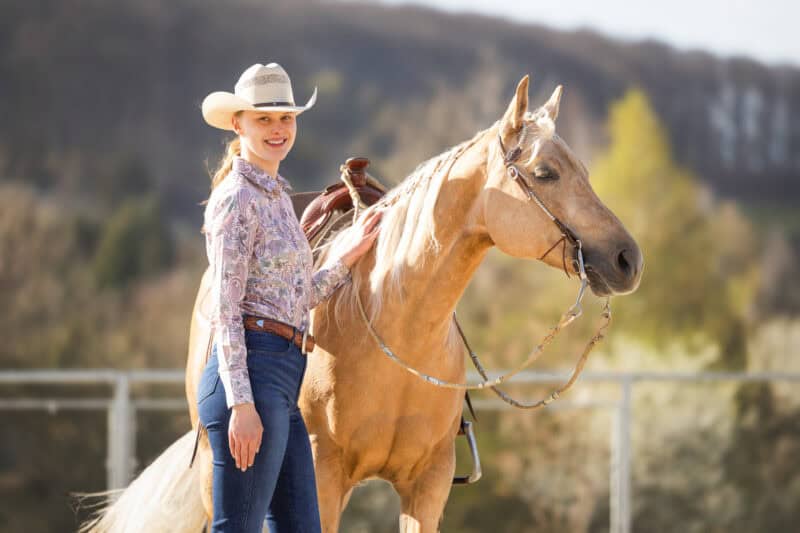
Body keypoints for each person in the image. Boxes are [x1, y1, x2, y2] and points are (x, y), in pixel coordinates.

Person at [196, 62, 382, 532]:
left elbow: (293, 302)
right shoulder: (237, 197)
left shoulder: (276, 198)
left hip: (281, 377)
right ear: (238, 124)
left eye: (286, 118)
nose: (278, 129)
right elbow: (224, 306)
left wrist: (347, 257)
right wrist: (241, 404)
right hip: (252, 379)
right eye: (264, 119)